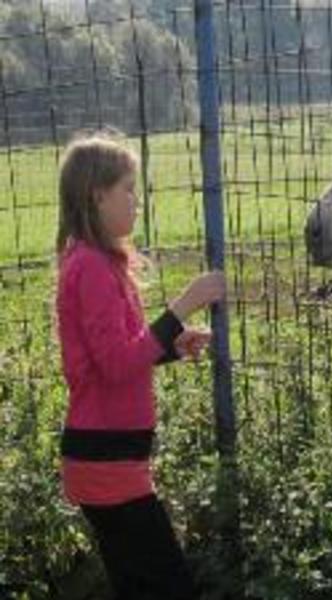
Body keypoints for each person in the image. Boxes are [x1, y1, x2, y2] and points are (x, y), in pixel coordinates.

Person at [55, 130, 225, 599]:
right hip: (107, 461)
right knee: (168, 586)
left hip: (109, 456)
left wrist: (173, 345)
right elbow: (114, 364)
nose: (137, 201)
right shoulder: (89, 267)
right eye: (128, 189)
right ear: (97, 196)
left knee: (141, 586)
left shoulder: (97, 263)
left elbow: (120, 355)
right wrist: (182, 307)